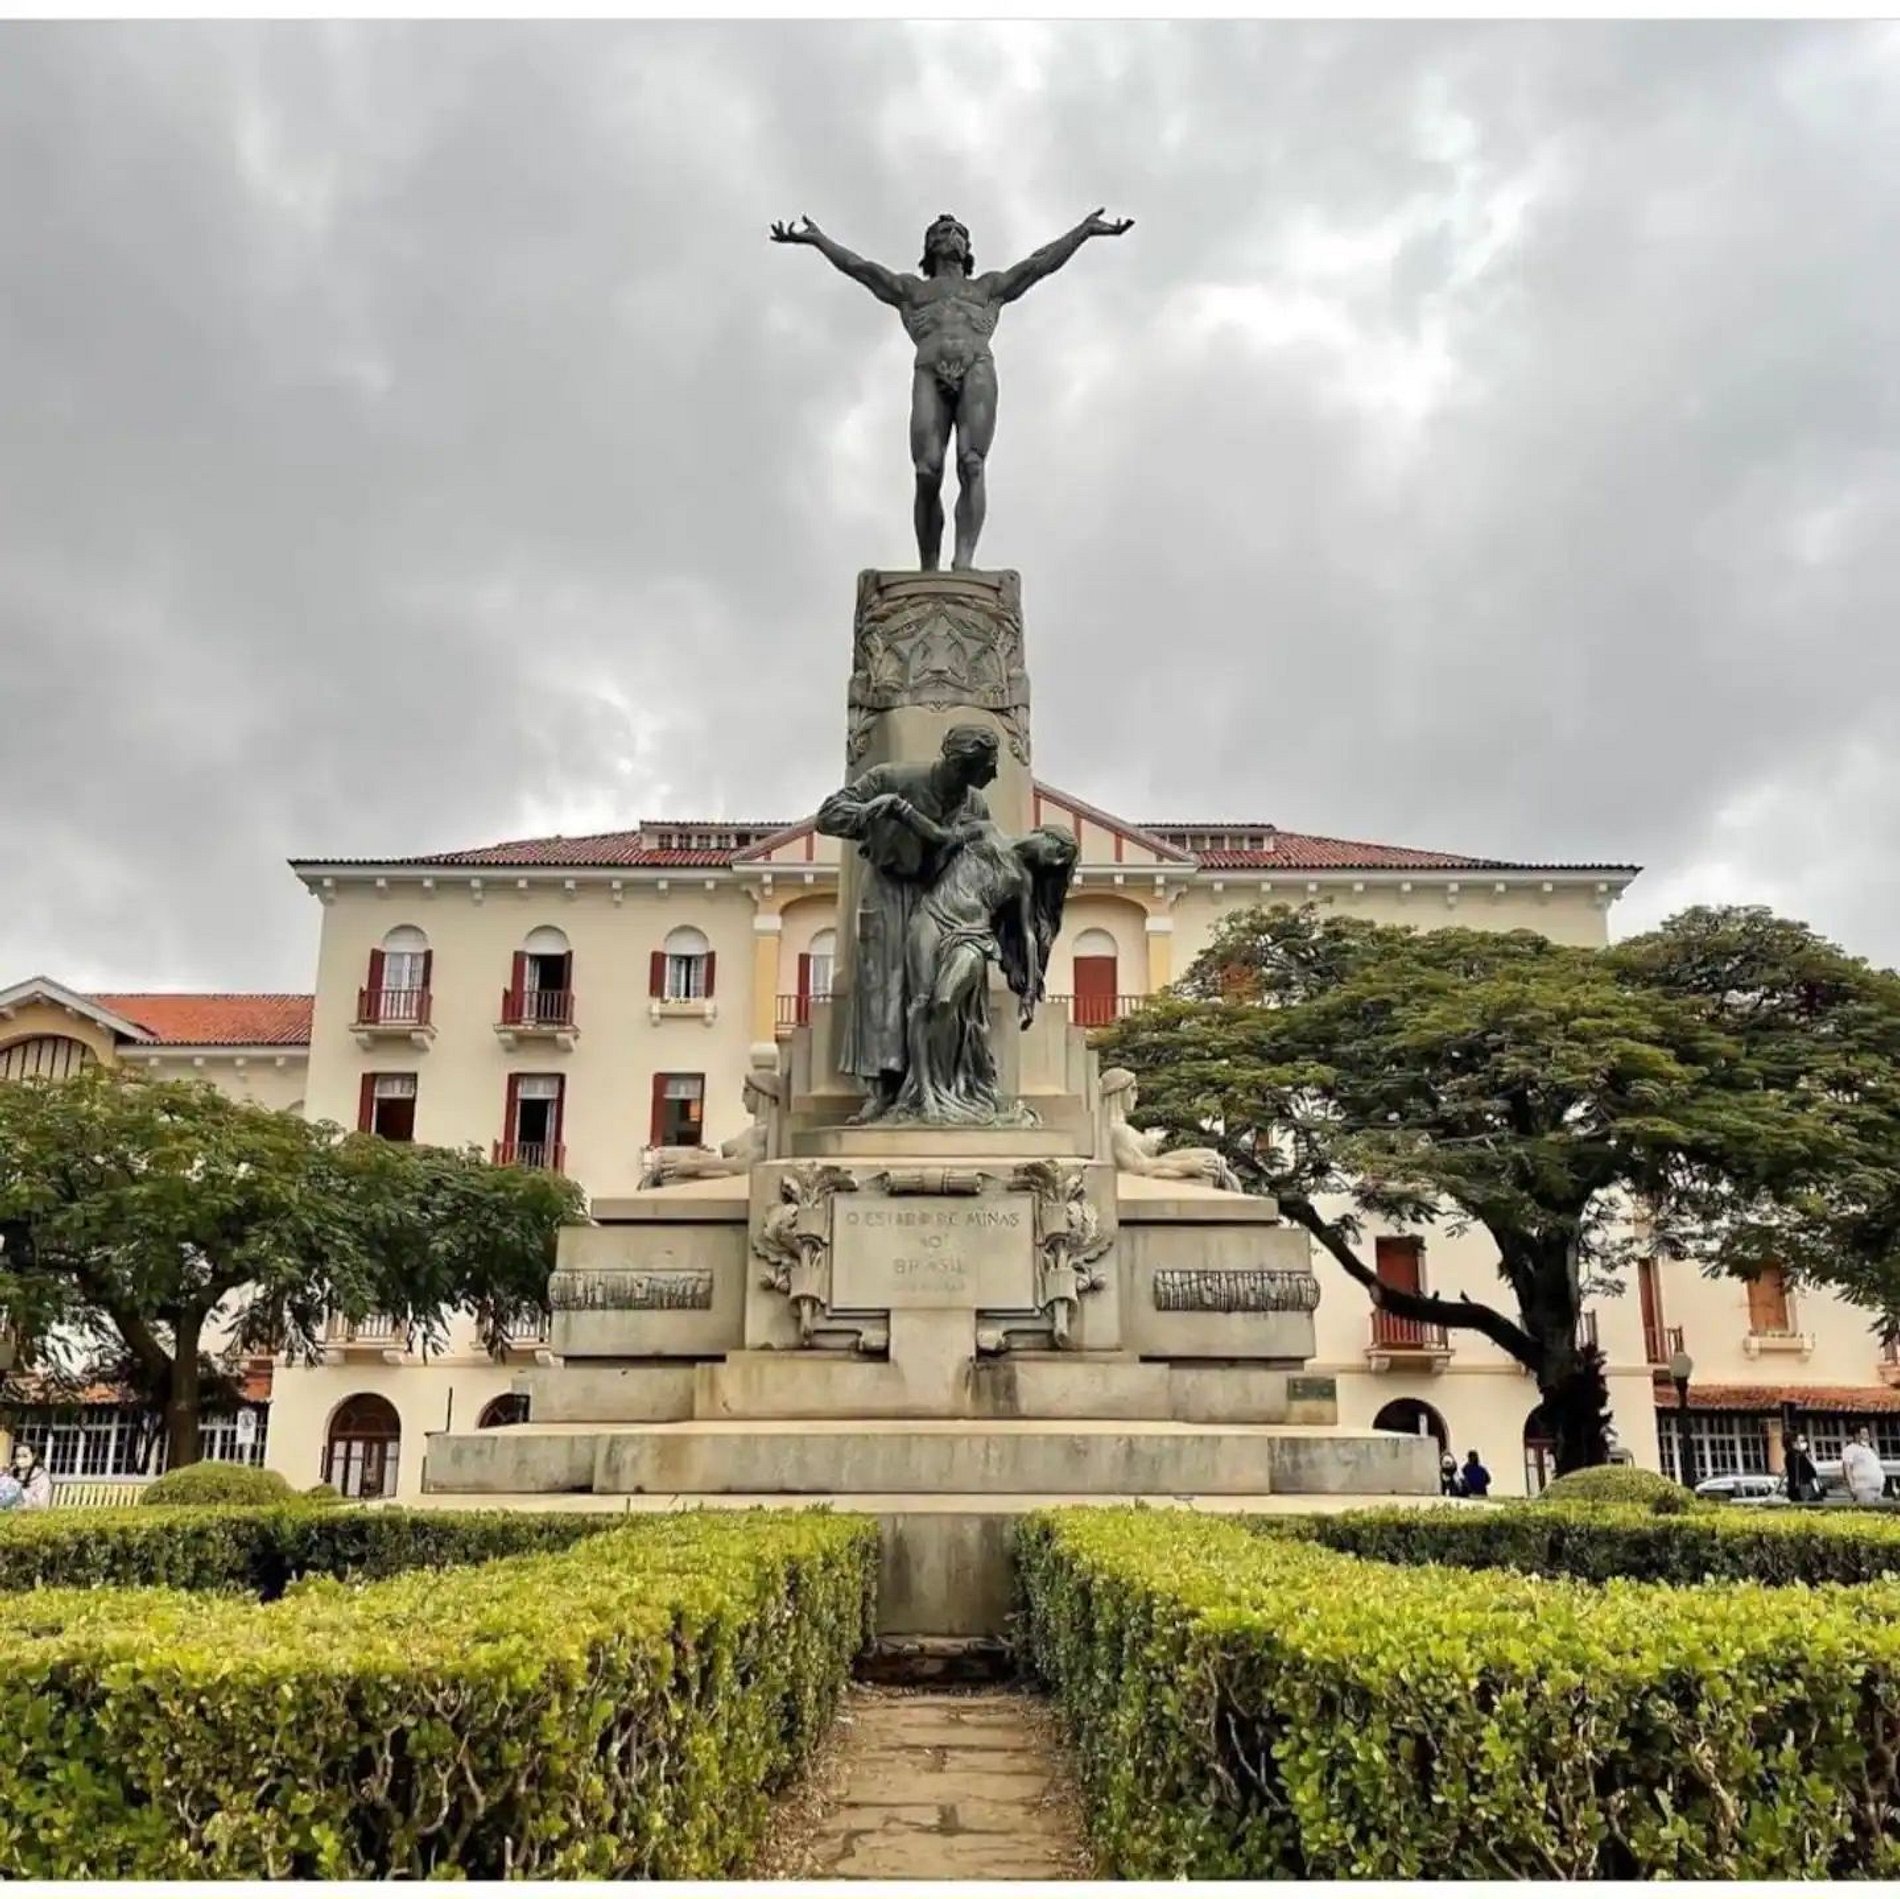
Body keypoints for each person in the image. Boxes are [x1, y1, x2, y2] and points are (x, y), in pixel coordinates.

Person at [769, 208, 1133, 570]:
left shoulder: (987, 288)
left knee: (972, 463)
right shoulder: (912, 290)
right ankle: (929, 566)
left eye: (959, 232)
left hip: (976, 366)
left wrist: (1083, 231)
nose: (952, 236)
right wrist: (819, 240)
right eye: (943, 232)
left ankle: (963, 560)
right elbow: (860, 268)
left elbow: (1039, 264)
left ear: (968, 247)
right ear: (930, 245)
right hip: (929, 369)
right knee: (926, 471)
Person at [815, 725, 1000, 1122]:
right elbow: (828, 816)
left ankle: (943, 1082)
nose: (995, 774)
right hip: (887, 885)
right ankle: (883, 1090)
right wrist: (870, 812)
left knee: (938, 986)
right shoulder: (890, 778)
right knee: (883, 984)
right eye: (988, 766)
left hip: (941, 895)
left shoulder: (975, 805)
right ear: (962, 765)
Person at [893, 820, 1078, 1122]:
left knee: (944, 1001)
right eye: (1058, 851)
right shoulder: (986, 831)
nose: (1056, 861)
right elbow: (941, 838)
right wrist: (904, 813)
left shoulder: (1022, 880)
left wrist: (1030, 992)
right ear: (1044, 835)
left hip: (972, 936)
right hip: (932, 914)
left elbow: (1028, 934)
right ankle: (925, 1095)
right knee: (920, 1003)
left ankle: (946, 1083)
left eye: (1062, 860)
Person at [1841, 1426, 1886, 1506]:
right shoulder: (1850, 1449)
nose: (1867, 1436)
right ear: (1857, 1435)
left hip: (1877, 1489)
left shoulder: (1869, 1450)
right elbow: (1847, 1469)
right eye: (1864, 1433)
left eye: (1867, 1433)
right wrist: (1851, 1487)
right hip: (1863, 1489)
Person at [9, 1441, 52, 1509]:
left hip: (32, 1511)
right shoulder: (12, 1473)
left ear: (34, 1456)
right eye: (18, 1456)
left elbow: (42, 1504)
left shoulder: (42, 1476)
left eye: (25, 1456)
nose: (21, 1459)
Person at [1784, 1432, 1821, 1504]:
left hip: (1799, 1488)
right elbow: (1811, 1474)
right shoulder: (1797, 1456)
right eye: (1801, 1441)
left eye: (1804, 1440)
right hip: (1803, 1488)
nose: (1804, 1443)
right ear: (1794, 1443)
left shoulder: (1794, 1455)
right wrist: (1817, 1490)